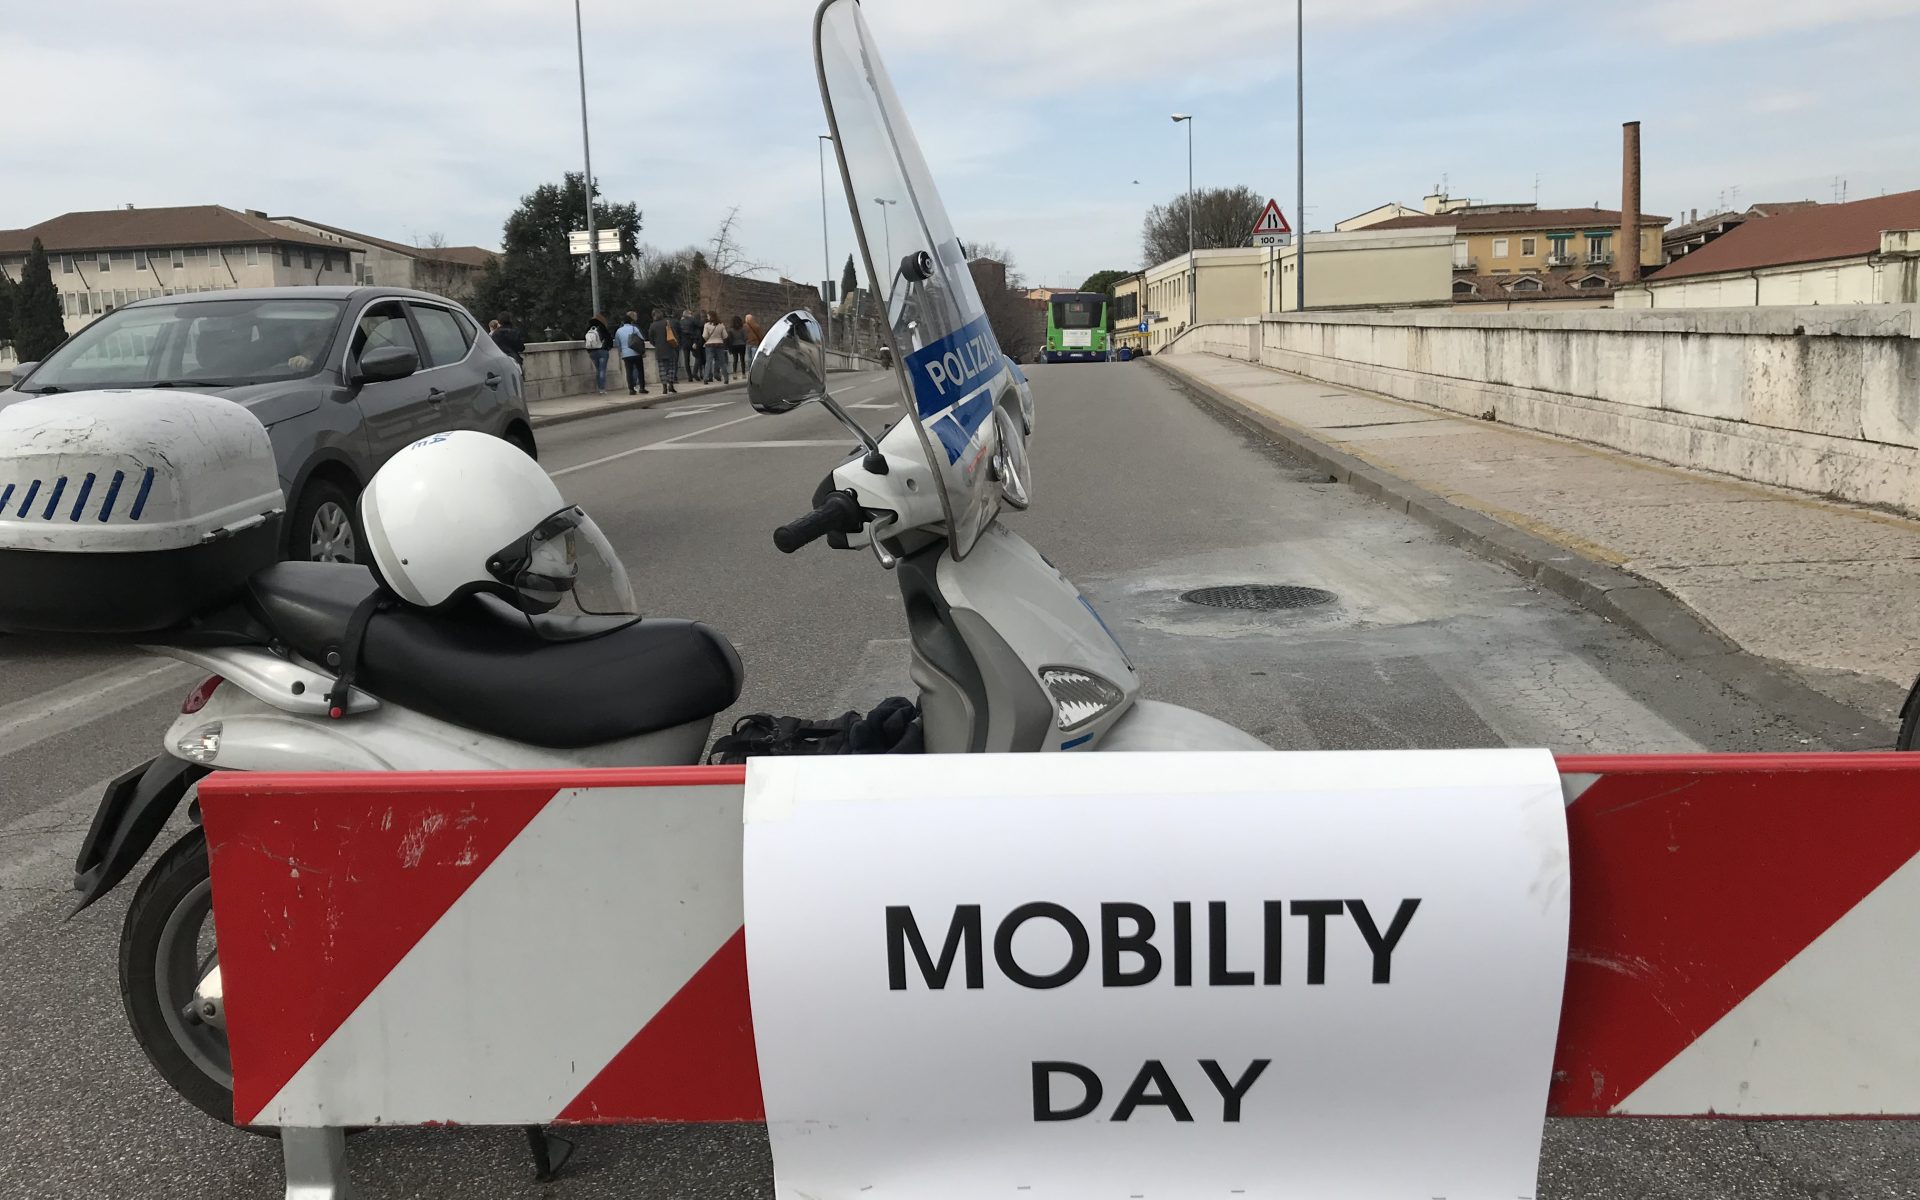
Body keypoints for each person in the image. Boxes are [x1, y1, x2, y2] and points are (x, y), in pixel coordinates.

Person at [613, 310, 649, 395]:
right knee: (640, 370)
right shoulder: (634, 328)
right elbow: (641, 339)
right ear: (631, 321)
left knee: (629, 371)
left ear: (623, 322)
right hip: (636, 352)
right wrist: (643, 351)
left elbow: (617, 343)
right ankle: (642, 388)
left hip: (626, 354)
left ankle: (631, 389)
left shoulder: (619, 331)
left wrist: (621, 351)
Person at [647, 308, 680, 394]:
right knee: (671, 368)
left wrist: (656, 344)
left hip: (659, 350)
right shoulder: (667, 322)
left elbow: (651, 339)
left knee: (662, 369)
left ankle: (664, 387)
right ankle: (671, 385)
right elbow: (675, 335)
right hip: (670, 348)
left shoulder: (652, 325)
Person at [583, 313, 612, 394]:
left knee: (598, 370)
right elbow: (609, 339)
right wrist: (607, 348)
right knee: (602, 370)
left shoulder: (588, 329)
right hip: (602, 351)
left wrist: (589, 351)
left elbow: (586, 341)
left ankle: (599, 388)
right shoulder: (602, 328)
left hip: (592, 352)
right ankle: (602, 389)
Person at [703, 311, 731, 384]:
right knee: (722, 362)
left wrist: (707, 339)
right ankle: (726, 379)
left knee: (708, 362)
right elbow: (725, 336)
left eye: (708, 316)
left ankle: (706, 378)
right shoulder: (721, 325)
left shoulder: (707, 325)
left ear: (710, 316)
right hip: (719, 344)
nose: (707, 317)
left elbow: (705, 335)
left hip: (709, 344)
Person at [678, 309, 704, 382]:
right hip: (693, 341)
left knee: (686, 360)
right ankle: (694, 372)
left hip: (684, 343)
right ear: (689, 314)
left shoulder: (680, 322)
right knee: (698, 357)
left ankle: (689, 377)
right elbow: (701, 324)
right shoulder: (692, 320)